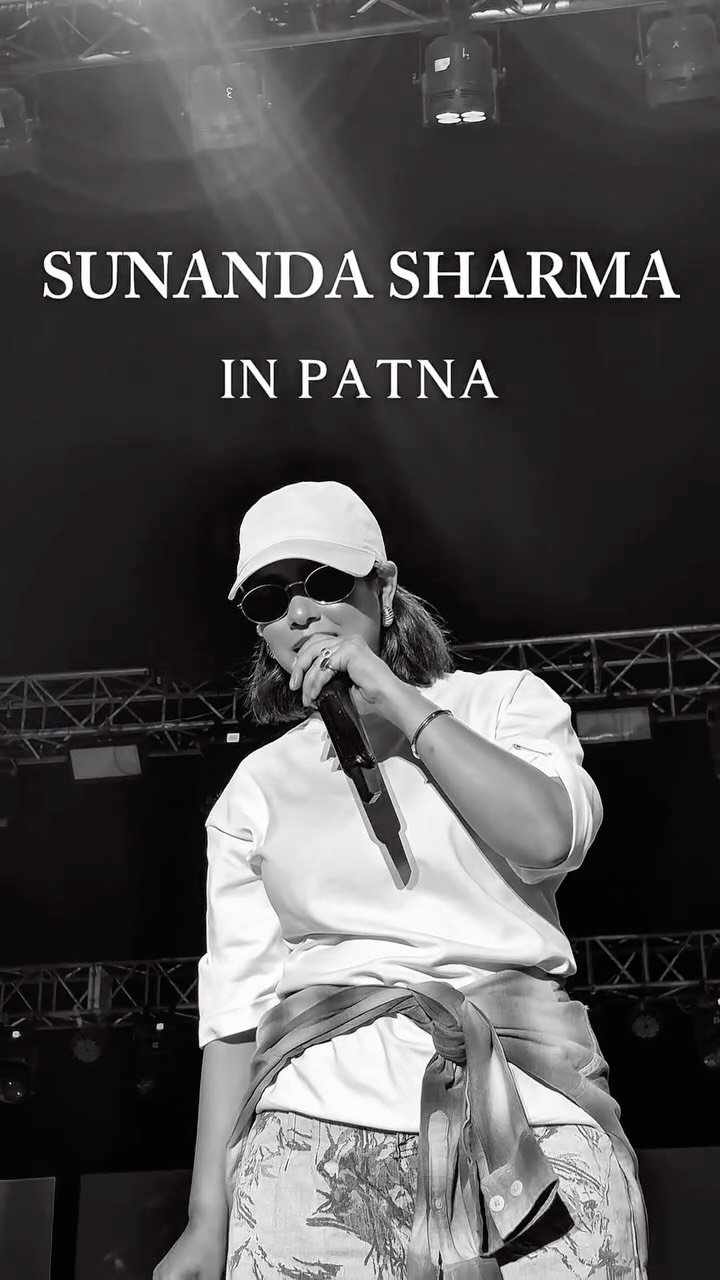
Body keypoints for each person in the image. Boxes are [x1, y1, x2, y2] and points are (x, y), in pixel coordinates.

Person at [154, 480, 648, 1280]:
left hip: (531, 1115)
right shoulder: (259, 785)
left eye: (323, 582)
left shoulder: (501, 705)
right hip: (310, 1135)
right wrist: (206, 1216)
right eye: (269, 599)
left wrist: (389, 694)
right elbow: (237, 1011)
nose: (300, 611)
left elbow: (548, 837)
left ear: (383, 590)